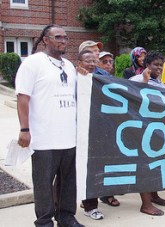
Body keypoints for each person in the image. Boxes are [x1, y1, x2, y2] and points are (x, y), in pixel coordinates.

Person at [16, 24, 84, 227]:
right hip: (44, 138)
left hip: (69, 137)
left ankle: (66, 216)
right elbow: (22, 98)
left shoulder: (69, 66)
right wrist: (24, 129)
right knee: (44, 184)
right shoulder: (33, 63)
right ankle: (44, 221)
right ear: (46, 39)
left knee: (68, 181)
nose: (63, 41)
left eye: (65, 37)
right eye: (58, 37)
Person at [130, 51, 165, 216]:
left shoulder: (161, 83)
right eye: (156, 65)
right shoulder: (136, 80)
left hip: (157, 130)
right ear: (147, 66)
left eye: (161, 65)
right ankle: (145, 204)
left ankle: (153, 195)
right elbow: (132, 100)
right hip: (141, 129)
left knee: (156, 163)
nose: (159, 68)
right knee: (144, 166)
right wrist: (144, 82)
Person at [76, 50, 106, 220]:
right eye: (88, 60)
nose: (92, 64)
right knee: (66, 171)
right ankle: (56, 206)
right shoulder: (73, 78)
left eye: (95, 61)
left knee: (91, 169)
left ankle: (90, 206)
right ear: (79, 62)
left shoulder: (100, 79)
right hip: (75, 132)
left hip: (95, 132)